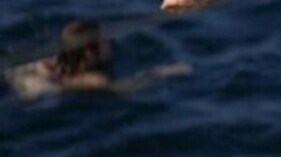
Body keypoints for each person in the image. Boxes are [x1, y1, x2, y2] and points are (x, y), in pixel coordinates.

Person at [5, 19, 190, 102]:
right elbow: (124, 87)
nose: (109, 43)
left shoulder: (49, 60)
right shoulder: (93, 79)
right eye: (104, 41)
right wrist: (163, 72)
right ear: (89, 53)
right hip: (38, 91)